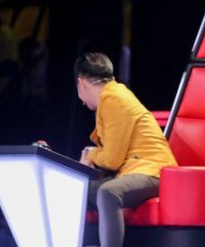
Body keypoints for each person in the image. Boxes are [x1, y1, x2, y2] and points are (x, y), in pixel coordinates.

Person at [76, 52, 177, 247]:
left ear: (81, 83)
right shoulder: (112, 95)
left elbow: (112, 159)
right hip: (135, 170)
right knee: (78, 188)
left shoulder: (113, 98)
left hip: (152, 170)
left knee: (108, 192)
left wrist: (91, 154)